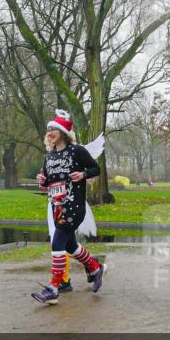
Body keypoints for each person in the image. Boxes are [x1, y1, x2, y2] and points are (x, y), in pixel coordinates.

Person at [32, 109, 107, 305]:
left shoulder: (77, 151)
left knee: (57, 243)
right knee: (69, 245)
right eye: (48, 130)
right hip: (56, 207)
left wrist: (82, 175)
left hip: (74, 206)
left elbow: (95, 169)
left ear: (62, 132)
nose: (49, 133)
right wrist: (42, 180)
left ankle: (54, 288)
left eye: (53, 130)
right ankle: (95, 268)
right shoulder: (49, 157)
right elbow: (48, 182)